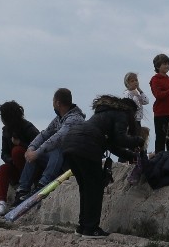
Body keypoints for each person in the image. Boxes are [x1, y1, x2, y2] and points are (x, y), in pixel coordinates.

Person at [61, 95, 145, 238]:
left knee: (86, 187)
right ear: (131, 111)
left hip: (70, 144)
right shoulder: (122, 114)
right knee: (95, 188)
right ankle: (91, 229)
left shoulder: (103, 114)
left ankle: (82, 227)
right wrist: (138, 141)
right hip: (86, 146)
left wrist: (131, 156)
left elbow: (111, 145)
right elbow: (120, 139)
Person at [15, 88, 85, 203]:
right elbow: (45, 134)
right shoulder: (59, 118)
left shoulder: (75, 119)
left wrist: (37, 153)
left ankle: (43, 184)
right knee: (34, 154)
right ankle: (22, 190)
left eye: (53, 101)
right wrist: (31, 148)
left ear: (57, 103)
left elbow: (58, 138)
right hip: (59, 162)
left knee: (57, 148)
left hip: (71, 162)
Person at [0, 101, 39, 216]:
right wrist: (11, 161)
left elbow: (40, 147)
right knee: (3, 168)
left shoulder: (28, 127)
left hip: (32, 168)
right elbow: (4, 154)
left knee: (17, 151)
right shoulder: (6, 131)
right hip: (16, 168)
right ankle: (2, 202)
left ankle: (28, 185)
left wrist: (20, 143)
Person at [149, 54, 169, 153]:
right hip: (160, 113)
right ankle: (159, 158)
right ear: (158, 66)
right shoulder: (155, 79)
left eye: (168, 63)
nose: (167, 66)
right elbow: (158, 94)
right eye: (164, 64)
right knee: (161, 138)